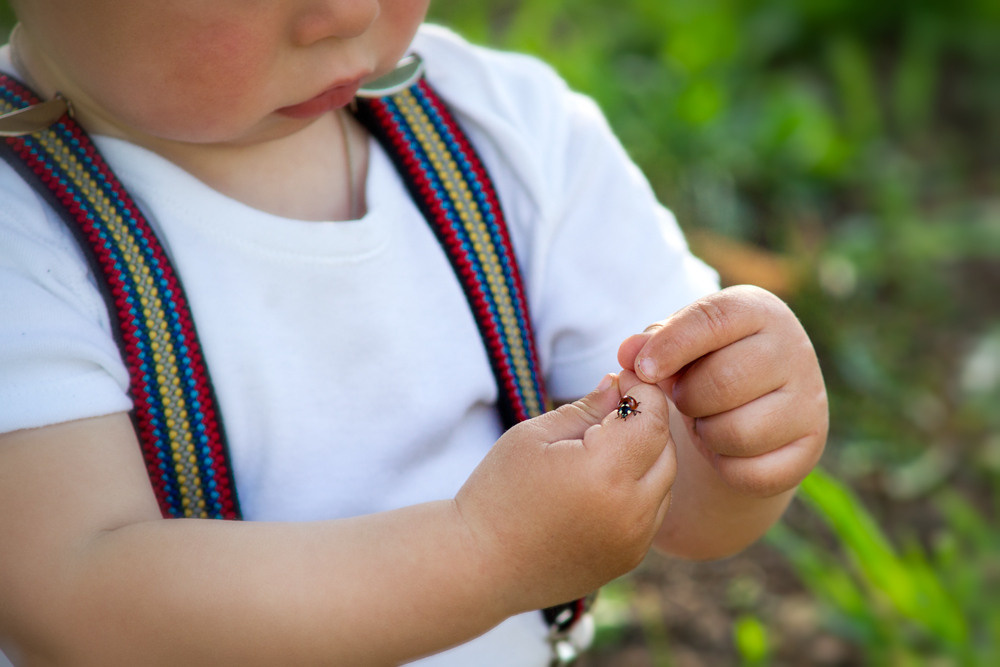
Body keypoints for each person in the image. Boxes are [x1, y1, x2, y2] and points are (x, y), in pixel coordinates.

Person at [0, 1, 828, 665]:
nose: (349, 11)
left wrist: (736, 426)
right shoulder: (22, 234)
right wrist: (483, 552)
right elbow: (77, 607)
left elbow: (680, 505)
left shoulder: (510, 135)